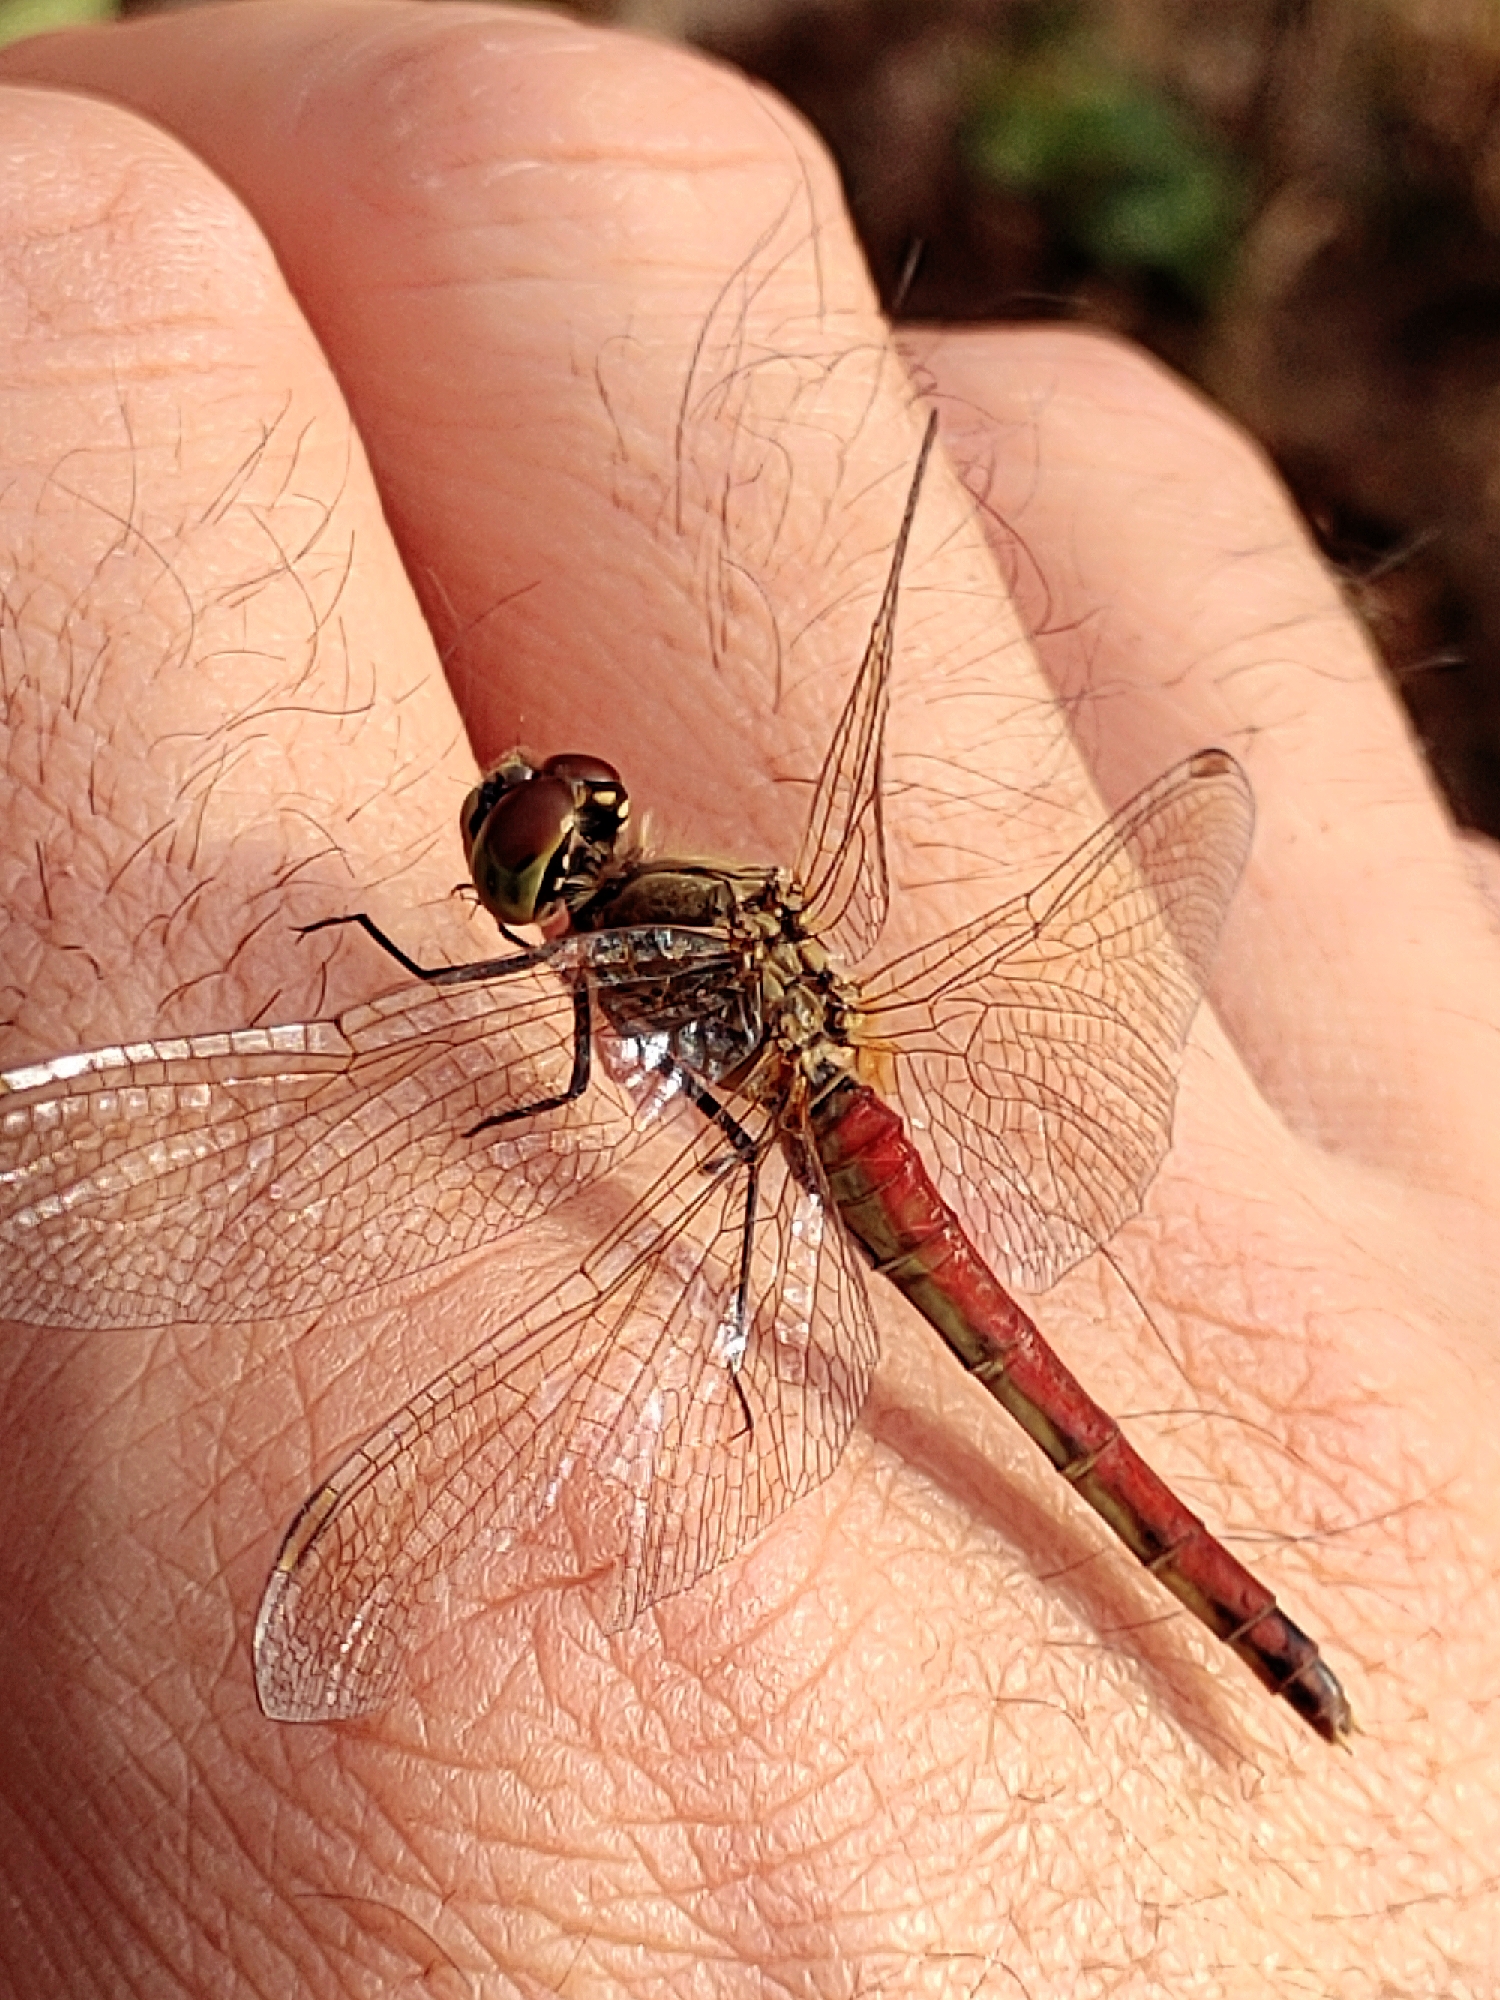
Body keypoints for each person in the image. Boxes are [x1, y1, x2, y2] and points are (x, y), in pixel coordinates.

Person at [1, 5, 1497, 1992]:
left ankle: (1253, 1623)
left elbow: (564, 1084)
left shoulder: (623, 965)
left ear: (566, 870)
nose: (553, 844)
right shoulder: (703, 934)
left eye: (554, 840)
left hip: (835, 1149)